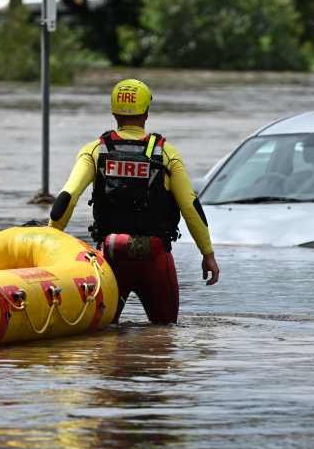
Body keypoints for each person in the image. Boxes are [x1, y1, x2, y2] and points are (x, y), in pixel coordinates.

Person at [48, 78, 220, 325]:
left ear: (114, 111)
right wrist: (208, 254)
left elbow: (67, 197)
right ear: (146, 113)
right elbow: (190, 206)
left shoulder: (96, 150)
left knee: (104, 332)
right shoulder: (166, 153)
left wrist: (50, 239)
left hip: (110, 255)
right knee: (165, 333)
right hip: (155, 256)